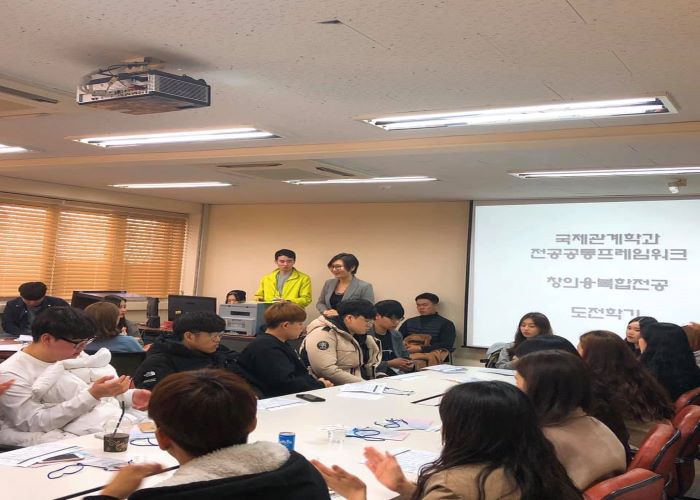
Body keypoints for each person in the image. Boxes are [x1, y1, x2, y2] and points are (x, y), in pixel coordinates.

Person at [312, 381, 581, 500]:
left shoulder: (456, 484)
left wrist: (357, 495)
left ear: (464, 429)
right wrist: (404, 487)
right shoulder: (538, 464)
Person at [87, 369, 331, 500]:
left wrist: (110, 495)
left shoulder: (160, 496)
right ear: (253, 423)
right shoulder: (300, 471)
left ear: (161, 438)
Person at [0, 307, 149, 446]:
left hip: (106, 426)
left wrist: (129, 396)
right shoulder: (11, 373)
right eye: (77, 343)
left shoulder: (73, 355)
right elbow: (34, 423)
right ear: (47, 339)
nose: (82, 349)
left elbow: (96, 392)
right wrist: (92, 396)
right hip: (64, 443)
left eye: (87, 342)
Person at [515, 350, 627, 490]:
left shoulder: (542, 439)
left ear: (540, 389)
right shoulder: (595, 423)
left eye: (517, 381)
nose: (514, 388)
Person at [578, 330, 674, 448]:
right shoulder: (635, 376)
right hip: (654, 439)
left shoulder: (601, 387)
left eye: (578, 350)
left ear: (592, 357)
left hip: (636, 444)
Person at [237, 302, 332, 397]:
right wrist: (319, 385)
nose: (302, 328)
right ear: (285, 325)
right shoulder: (267, 348)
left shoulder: (278, 343)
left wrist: (315, 383)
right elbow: (286, 383)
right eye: (300, 324)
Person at [132, 311, 242, 390]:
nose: (217, 340)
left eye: (220, 335)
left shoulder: (218, 352)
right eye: (213, 336)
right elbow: (158, 398)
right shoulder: (160, 361)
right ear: (189, 336)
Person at [302, 299, 380, 385]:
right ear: (349, 318)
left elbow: (370, 365)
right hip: (333, 387)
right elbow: (325, 370)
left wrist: (381, 378)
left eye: (372, 321)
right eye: (367, 321)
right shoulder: (323, 334)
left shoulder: (360, 335)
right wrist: (364, 384)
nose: (370, 325)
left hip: (359, 383)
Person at [640, 322, 700, 401]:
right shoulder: (691, 370)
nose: (639, 340)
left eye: (641, 337)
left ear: (652, 344)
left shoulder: (646, 376)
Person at [399, 293, 456, 367]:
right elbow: (398, 338)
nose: (421, 307)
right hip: (408, 352)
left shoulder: (446, 323)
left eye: (425, 305)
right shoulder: (409, 322)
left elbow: (447, 344)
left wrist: (420, 348)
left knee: (413, 363)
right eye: (418, 305)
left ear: (435, 305)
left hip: (431, 354)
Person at [1, 281, 68, 336]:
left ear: (43, 296)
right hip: (19, 335)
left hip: (48, 336)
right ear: (21, 296)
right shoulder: (12, 305)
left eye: (36, 300)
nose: (32, 303)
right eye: (28, 300)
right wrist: (22, 335)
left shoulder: (58, 304)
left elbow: (67, 323)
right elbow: (7, 324)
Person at [316, 253, 374, 317]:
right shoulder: (329, 283)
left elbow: (368, 310)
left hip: (350, 322)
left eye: (338, 266)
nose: (334, 269)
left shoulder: (364, 286)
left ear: (352, 268)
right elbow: (321, 303)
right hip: (328, 319)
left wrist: (340, 313)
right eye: (332, 267)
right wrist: (325, 311)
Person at [369, 300, 414, 376]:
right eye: (392, 319)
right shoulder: (365, 335)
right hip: (375, 376)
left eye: (400, 319)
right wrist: (388, 364)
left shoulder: (396, 335)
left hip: (397, 374)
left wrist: (408, 363)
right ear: (377, 316)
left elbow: (404, 354)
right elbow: (364, 365)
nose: (397, 322)